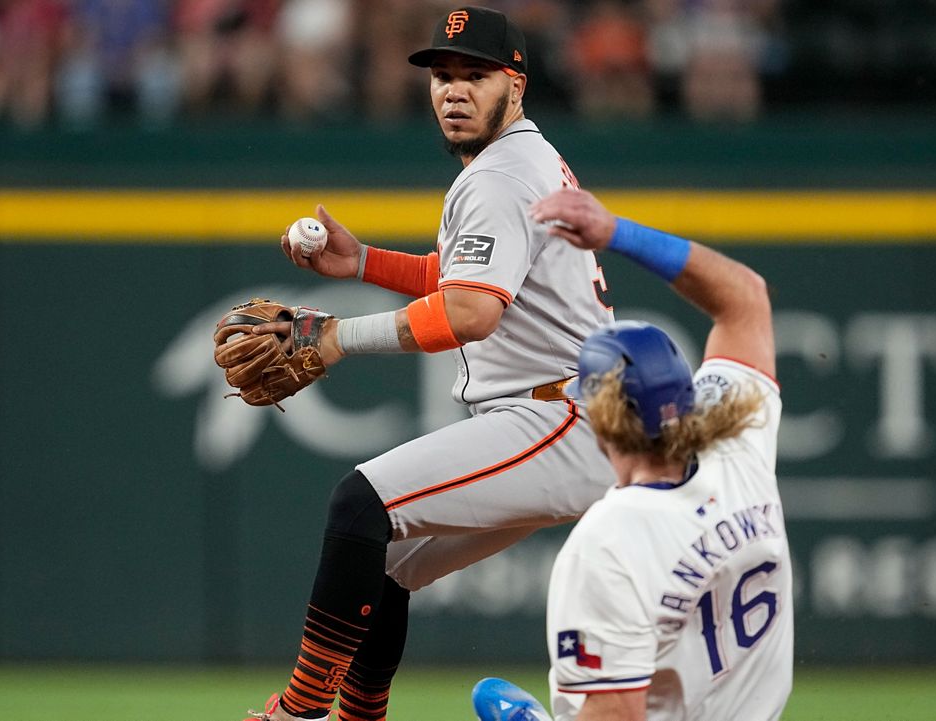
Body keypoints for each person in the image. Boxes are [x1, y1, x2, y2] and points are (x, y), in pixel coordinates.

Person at [241, 7, 616, 721]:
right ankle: (358, 715)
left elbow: (471, 313)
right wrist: (361, 263)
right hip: (559, 412)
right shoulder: (520, 161)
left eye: (475, 76)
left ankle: (304, 709)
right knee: (378, 563)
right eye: (443, 76)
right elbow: (471, 278)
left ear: (517, 84)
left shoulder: (500, 175)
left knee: (361, 503)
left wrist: (333, 336)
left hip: (560, 416)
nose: (453, 90)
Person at [472, 186, 792, 721]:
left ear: (600, 421)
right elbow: (745, 297)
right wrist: (617, 232)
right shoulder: (737, 450)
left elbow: (617, 714)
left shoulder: (609, 541)